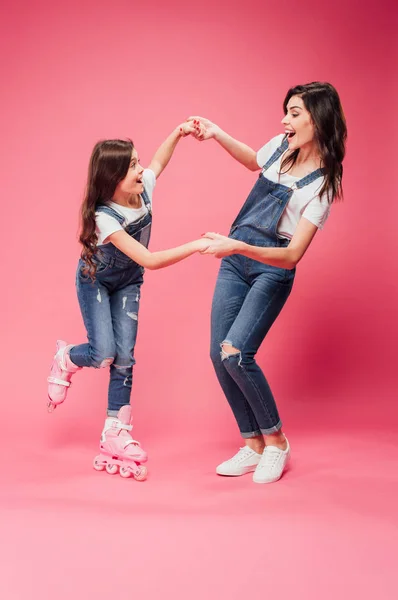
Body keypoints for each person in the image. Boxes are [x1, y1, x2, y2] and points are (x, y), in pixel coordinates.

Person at [191, 82, 347, 483]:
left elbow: (292, 255)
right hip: (235, 259)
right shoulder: (281, 145)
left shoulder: (324, 185)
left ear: (319, 118)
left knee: (236, 353)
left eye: (294, 113)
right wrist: (217, 133)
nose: (284, 120)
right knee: (216, 353)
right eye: (286, 112)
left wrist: (238, 245)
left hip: (271, 268)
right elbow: (253, 161)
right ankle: (253, 445)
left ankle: (276, 442)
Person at [47, 120, 209, 480]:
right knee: (102, 352)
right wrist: (195, 245)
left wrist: (178, 134)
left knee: (125, 357)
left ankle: (115, 430)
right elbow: (149, 259)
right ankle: (65, 357)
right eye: (133, 166)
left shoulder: (143, 189)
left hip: (128, 283)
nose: (142, 170)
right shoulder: (105, 217)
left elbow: (160, 163)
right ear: (112, 180)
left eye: (137, 162)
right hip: (96, 282)